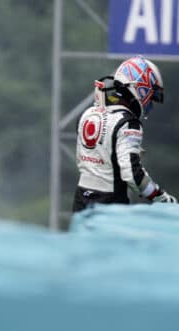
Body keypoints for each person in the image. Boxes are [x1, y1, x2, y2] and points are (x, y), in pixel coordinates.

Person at [73, 56, 176, 213]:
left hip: (81, 198)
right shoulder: (129, 123)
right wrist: (162, 198)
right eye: (151, 95)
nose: (151, 103)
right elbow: (133, 176)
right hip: (110, 202)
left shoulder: (87, 113)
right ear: (141, 86)